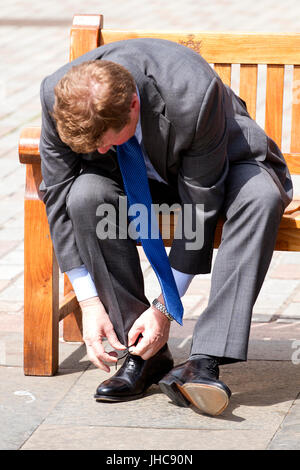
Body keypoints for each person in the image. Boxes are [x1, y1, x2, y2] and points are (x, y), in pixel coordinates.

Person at [39, 38, 292, 416]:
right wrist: (89, 302)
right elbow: (57, 197)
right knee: (84, 194)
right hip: (134, 177)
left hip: (223, 162)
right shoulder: (55, 95)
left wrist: (164, 307)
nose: (101, 150)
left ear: (133, 106)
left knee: (261, 197)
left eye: (107, 142)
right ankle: (143, 354)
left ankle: (204, 360)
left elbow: (200, 203)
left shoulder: (193, 92)